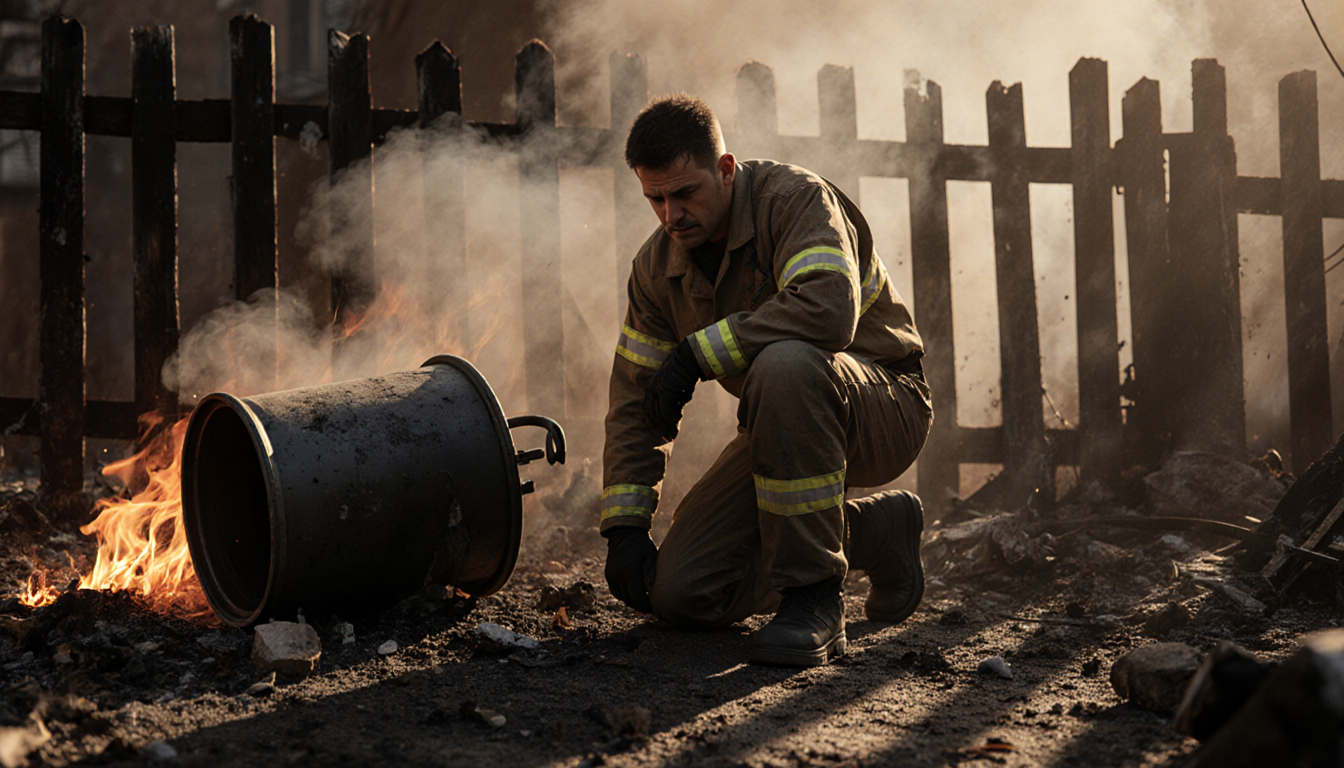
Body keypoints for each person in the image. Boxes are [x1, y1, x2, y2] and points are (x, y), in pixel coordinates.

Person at [600, 94, 933, 667]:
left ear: (725, 170)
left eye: (685, 193)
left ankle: (815, 601)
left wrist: (697, 354)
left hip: (886, 403)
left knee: (785, 363)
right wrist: (625, 526)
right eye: (654, 198)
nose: (671, 214)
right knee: (683, 594)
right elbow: (636, 400)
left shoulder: (796, 199)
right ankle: (872, 533)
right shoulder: (656, 270)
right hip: (786, 422)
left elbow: (828, 308)